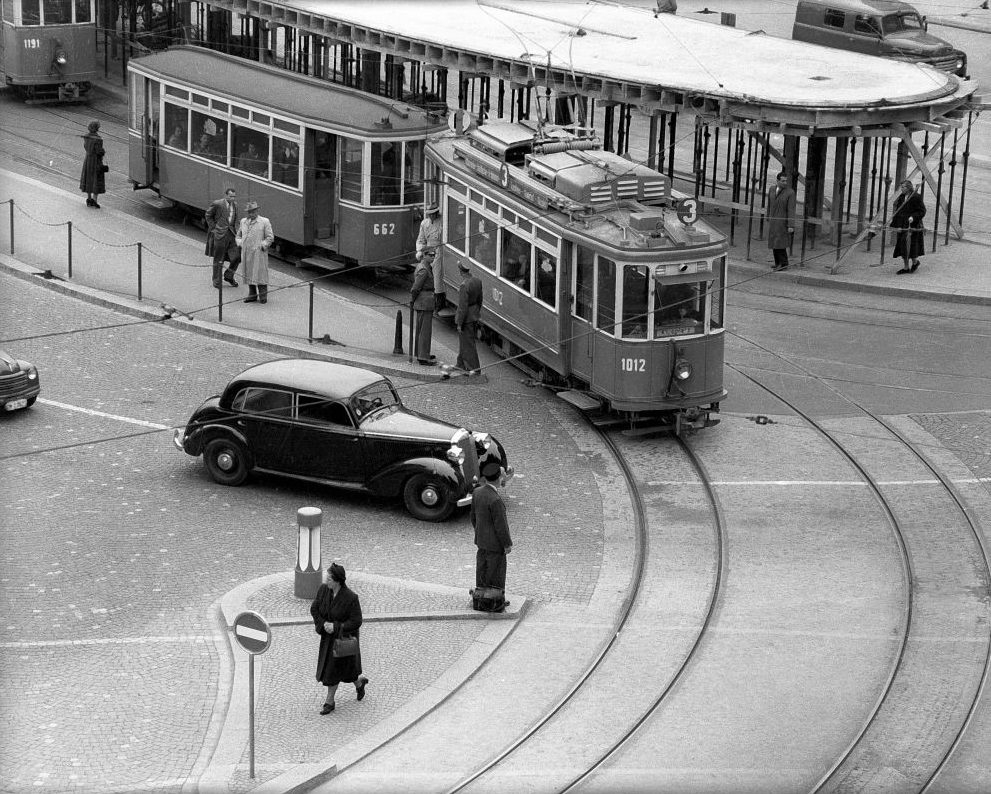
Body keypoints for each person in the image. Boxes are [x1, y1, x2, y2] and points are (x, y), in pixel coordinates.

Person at [310, 563, 369, 715]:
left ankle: (329, 701)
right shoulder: (324, 590)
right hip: (328, 640)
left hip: (343, 640)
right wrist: (323, 624)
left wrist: (336, 627)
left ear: (338, 581)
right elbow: (314, 609)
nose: (326, 580)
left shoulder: (351, 598)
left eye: (329, 578)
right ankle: (359, 684)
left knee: (337, 670)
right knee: (342, 670)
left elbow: (356, 621)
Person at [470, 461, 513, 607]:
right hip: (495, 545)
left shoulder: (477, 492)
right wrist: (507, 544)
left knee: (482, 570)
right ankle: (496, 600)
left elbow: (473, 517)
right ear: (499, 478)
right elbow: (501, 526)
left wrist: (479, 532)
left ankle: (480, 597)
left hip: (481, 541)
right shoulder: (495, 500)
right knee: (496, 574)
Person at [235, 200, 274, 304]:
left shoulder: (264, 221)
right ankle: (252, 295)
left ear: (257, 211)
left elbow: (270, 237)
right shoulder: (243, 221)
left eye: (253, 211)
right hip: (246, 253)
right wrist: (240, 243)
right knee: (248, 273)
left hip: (259, 253)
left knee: (260, 274)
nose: (251, 214)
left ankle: (263, 296)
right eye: (249, 212)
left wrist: (263, 245)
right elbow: (238, 235)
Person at [204, 187, 241, 289]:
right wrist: (214, 228)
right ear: (226, 195)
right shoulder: (218, 204)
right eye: (231, 196)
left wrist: (238, 233)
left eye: (234, 196)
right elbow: (208, 215)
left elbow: (235, 220)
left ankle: (229, 276)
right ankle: (216, 280)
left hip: (232, 234)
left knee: (237, 257)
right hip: (220, 234)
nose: (233, 198)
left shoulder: (235, 205)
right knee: (219, 258)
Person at [416, 202, 446, 315]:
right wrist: (419, 250)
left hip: (439, 251)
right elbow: (421, 239)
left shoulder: (443, 221)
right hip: (428, 251)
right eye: (430, 214)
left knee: (438, 277)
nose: (432, 216)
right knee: (424, 273)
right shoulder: (424, 224)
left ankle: (439, 302)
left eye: (433, 214)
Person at [891, 179, 926, 274]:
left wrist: (913, 217)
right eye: (901, 187)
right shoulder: (902, 197)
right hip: (903, 225)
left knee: (911, 247)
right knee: (903, 246)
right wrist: (896, 225)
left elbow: (922, 211)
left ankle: (915, 262)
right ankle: (906, 267)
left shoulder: (916, 197)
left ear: (908, 188)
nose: (901, 189)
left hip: (913, 226)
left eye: (903, 187)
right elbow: (898, 211)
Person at [455, 260, 482, 375]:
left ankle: (473, 368)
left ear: (460, 271)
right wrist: (476, 312)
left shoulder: (464, 285)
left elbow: (462, 307)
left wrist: (459, 323)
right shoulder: (477, 281)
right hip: (474, 314)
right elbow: (480, 300)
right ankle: (460, 364)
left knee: (468, 343)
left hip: (466, 318)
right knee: (465, 341)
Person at [410, 249, 436, 365]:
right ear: (424, 255)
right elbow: (416, 288)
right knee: (425, 331)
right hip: (424, 302)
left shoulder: (424, 266)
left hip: (424, 302)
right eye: (431, 255)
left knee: (422, 330)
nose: (433, 257)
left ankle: (421, 353)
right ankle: (423, 356)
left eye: (434, 255)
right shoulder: (424, 269)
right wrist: (413, 299)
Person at [766, 171, 796, 271]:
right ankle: (777, 262)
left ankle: (783, 263)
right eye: (783, 181)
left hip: (782, 222)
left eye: (786, 181)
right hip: (773, 221)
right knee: (774, 242)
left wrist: (791, 225)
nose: (785, 183)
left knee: (780, 242)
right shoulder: (772, 189)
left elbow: (791, 209)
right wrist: (768, 216)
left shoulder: (790, 193)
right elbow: (769, 204)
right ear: (777, 181)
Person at [79, 120, 106, 208]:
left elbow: (86, 147)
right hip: (96, 161)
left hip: (88, 160)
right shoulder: (98, 139)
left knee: (88, 179)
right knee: (96, 179)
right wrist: (103, 151)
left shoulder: (86, 137)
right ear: (97, 128)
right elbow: (99, 151)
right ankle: (95, 200)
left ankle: (89, 199)